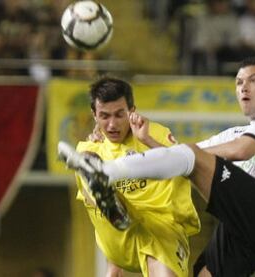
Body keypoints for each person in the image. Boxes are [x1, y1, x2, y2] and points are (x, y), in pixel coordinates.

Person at [59, 57, 255, 276]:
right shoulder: (234, 133)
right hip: (247, 232)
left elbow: (241, 150)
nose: (244, 87)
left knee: (192, 154)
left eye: (253, 80)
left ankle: (106, 172)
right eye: (238, 82)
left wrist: (192, 155)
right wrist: (148, 140)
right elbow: (180, 163)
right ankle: (104, 173)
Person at [61, 77, 200, 277]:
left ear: (132, 111)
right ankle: (105, 194)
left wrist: (147, 140)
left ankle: (107, 194)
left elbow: (184, 165)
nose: (111, 124)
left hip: (160, 230)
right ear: (94, 115)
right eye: (104, 116)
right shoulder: (92, 146)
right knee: (86, 158)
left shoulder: (155, 133)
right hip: (118, 240)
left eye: (119, 115)